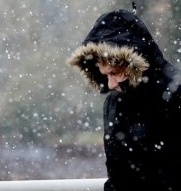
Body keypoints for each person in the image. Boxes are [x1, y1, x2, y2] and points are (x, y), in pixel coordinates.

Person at [66, 6, 181, 191]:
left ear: (134, 62)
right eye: (104, 74)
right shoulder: (115, 103)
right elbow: (117, 175)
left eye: (115, 73)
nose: (110, 84)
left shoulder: (175, 93)